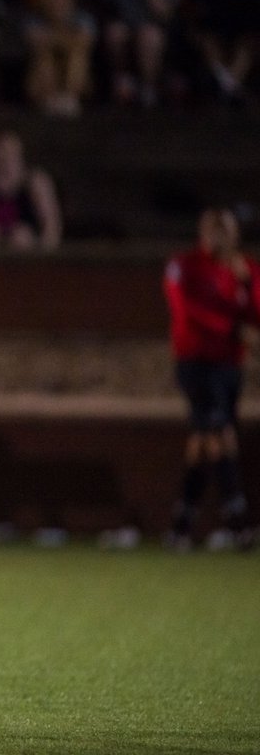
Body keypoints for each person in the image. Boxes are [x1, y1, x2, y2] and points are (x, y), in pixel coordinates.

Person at [163, 207, 258, 550]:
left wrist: (249, 283)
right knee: (222, 435)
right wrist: (232, 329)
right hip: (197, 363)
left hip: (229, 367)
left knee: (203, 443)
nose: (221, 237)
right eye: (214, 230)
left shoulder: (242, 268)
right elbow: (186, 309)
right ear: (203, 233)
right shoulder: (185, 265)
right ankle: (238, 524)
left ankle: (181, 525)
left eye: (227, 230)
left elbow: (255, 314)